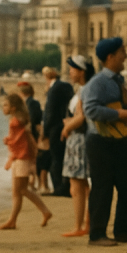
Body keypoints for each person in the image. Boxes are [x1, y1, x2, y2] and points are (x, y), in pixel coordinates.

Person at [82, 37, 127, 246]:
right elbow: (90, 109)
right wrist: (119, 114)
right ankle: (97, 235)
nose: (125, 56)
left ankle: (125, 231)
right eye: (122, 52)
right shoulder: (97, 83)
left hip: (120, 139)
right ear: (110, 56)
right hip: (100, 141)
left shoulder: (119, 81)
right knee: (102, 188)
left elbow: (124, 109)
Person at [0, 93, 52, 230]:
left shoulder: (15, 122)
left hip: (21, 158)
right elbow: (22, 139)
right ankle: (13, 220)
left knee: (21, 190)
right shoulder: (21, 120)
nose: (2, 107)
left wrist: (7, 141)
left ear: (13, 108)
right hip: (21, 157)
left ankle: (44, 211)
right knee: (19, 191)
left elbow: (16, 141)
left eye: (5, 105)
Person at [60, 55, 94, 237]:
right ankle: (85, 224)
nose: (70, 72)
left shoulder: (83, 91)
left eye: (72, 69)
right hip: (79, 138)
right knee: (82, 184)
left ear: (81, 71)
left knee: (77, 185)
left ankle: (80, 225)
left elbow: (82, 116)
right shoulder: (82, 89)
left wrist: (66, 127)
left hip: (79, 139)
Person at [42, 66, 73, 197]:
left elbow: (50, 111)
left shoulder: (53, 89)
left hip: (55, 128)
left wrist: (45, 131)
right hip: (67, 125)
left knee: (55, 158)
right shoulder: (66, 86)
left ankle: (59, 188)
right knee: (64, 157)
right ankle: (67, 186)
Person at [17, 82, 50, 194]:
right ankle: (34, 184)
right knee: (34, 161)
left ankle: (36, 184)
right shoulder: (30, 103)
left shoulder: (31, 103)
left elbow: (31, 120)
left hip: (33, 136)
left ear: (21, 92)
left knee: (36, 161)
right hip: (33, 135)